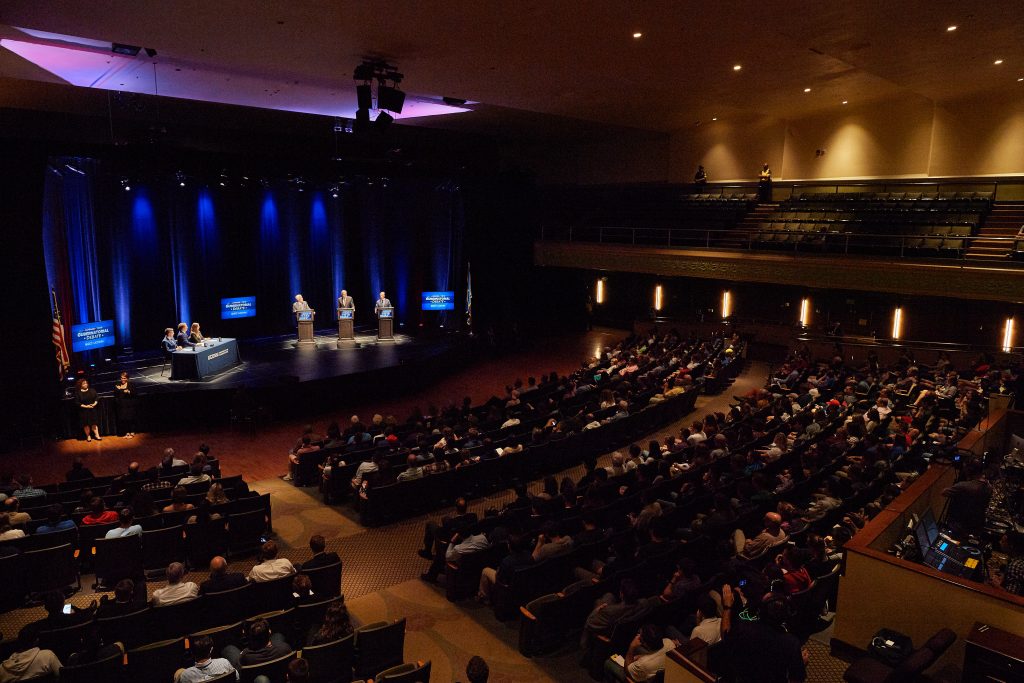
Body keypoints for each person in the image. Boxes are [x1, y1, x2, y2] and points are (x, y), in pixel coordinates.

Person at [721, 584, 807, 683]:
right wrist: (801, 665)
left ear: (760, 611)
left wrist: (727, 607)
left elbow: (725, 636)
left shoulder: (743, 628)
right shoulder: (791, 643)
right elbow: (796, 680)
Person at [604, 623, 676, 682]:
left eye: (639, 635)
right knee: (638, 651)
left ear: (645, 644)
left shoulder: (643, 664)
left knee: (608, 663)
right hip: (660, 672)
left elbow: (627, 671)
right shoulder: (668, 642)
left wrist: (631, 647)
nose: (637, 635)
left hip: (643, 677)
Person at [942, 459, 992, 538]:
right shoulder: (988, 486)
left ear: (969, 471)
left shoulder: (963, 486)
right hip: (977, 525)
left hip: (960, 526)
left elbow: (944, 492)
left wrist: (962, 479)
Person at [221, 618, 291, 669]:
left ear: (251, 637)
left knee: (229, 649)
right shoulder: (285, 648)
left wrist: (242, 653)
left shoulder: (246, 655)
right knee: (278, 635)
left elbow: (241, 665)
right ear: (269, 632)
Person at [113, 371, 139, 438]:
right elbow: (115, 392)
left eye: (124, 378)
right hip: (122, 405)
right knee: (124, 419)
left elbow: (135, 393)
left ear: (127, 378)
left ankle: (132, 432)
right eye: (122, 378)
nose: (123, 379)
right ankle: (127, 432)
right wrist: (121, 390)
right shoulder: (118, 384)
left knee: (131, 419)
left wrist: (127, 391)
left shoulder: (131, 385)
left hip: (130, 405)